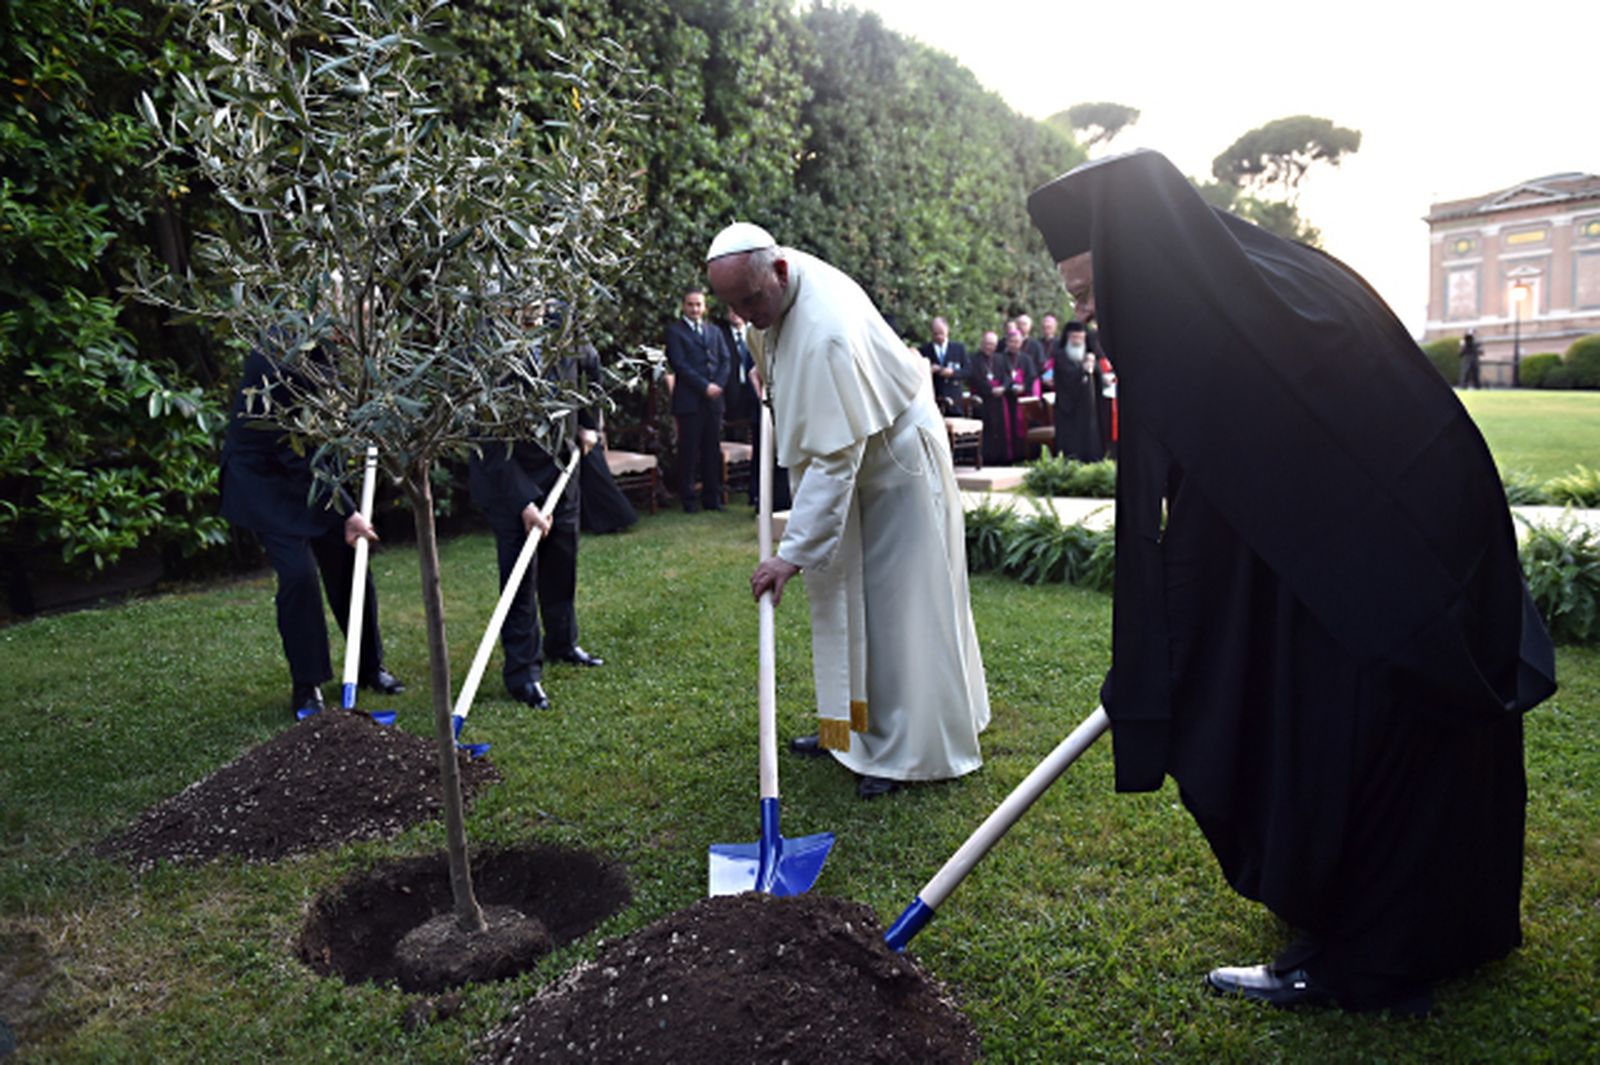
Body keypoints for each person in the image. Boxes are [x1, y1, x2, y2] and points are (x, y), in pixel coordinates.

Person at [1027, 149, 1556, 1014]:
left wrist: (1174, 649)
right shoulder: (1245, 310)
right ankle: (1413, 928)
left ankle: (1366, 961)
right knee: (1363, 751)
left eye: (1090, 295)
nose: (1085, 318)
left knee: (1372, 751)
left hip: (1404, 596)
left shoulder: (1268, 324)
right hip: (1387, 584)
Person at [705, 222, 989, 800]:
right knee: (846, 604)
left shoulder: (826, 333)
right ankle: (852, 731)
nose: (746, 317)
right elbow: (780, 364)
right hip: (859, 462)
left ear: (778, 271)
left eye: (751, 301)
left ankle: (903, 752)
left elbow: (833, 462)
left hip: (897, 470)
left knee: (899, 614)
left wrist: (792, 555)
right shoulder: (781, 292)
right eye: (732, 307)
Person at [219, 344, 406, 717]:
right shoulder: (286, 353)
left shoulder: (336, 348)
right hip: (266, 481)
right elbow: (296, 450)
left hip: (313, 472)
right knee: (299, 576)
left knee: (350, 564)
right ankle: (308, 684)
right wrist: (348, 511)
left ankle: (369, 666)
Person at [468, 354, 606, 711]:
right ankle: (523, 673)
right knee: (519, 576)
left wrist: (589, 423)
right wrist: (522, 502)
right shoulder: (490, 342)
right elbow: (486, 436)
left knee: (562, 560)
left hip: (562, 466)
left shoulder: (564, 320)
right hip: (508, 475)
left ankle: (562, 642)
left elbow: (590, 366)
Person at [664, 287, 732, 512]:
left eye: (698, 304)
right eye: (690, 304)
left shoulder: (714, 331)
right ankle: (689, 499)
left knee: (712, 449)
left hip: (713, 402)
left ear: (705, 307)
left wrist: (718, 386)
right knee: (689, 451)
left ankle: (712, 499)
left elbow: (725, 360)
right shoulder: (675, 332)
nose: (695, 309)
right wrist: (705, 387)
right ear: (683, 306)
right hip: (690, 401)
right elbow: (680, 365)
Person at [719, 309, 791, 510]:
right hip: (763, 404)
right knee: (764, 453)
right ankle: (761, 498)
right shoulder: (756, 335)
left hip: (784, 404)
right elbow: (754, 372)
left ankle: (781, 501)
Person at [1051, 320, 1102, 462]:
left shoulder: (1088, 354)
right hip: (1067, 405)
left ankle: (1091, 459)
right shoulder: (1060, 355)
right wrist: (1082, 369)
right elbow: (1067, 375)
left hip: (1086, 405)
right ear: (1068, 338)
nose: (1077, 341)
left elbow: (1098, 374)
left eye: (1080, 338)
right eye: (1074, 337)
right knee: (1070, 441)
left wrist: (1094, 366)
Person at [966, 330, 1012, 465]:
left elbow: (1008, 376)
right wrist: (990, 390)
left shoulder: (1001, 358)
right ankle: (985, 460)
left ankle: (1001, 460)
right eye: (986, 343)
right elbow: (974, 379)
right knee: (986, 431)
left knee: (999, 431)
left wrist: (1003, 387)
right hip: (983, 400)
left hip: (998, 401)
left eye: (992, 344)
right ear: (981, 343)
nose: (989, 347)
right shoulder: (973, 359)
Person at [918, 316, 969, 414]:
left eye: (941, 333)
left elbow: (968, 371)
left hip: (955, 400)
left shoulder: (959, 349)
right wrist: (929, 370)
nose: (938, 337)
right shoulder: (924, 350)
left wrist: (953, 373)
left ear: (947, 330)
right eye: (935, 334)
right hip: (934, 400)